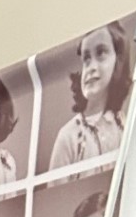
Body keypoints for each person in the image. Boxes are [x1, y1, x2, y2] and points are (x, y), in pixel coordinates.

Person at [50, 24, 129, 169]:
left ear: (118, 61)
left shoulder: (125, 126)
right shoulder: (69, 136)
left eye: (101, 54)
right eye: (86, 59)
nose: (91, 67)